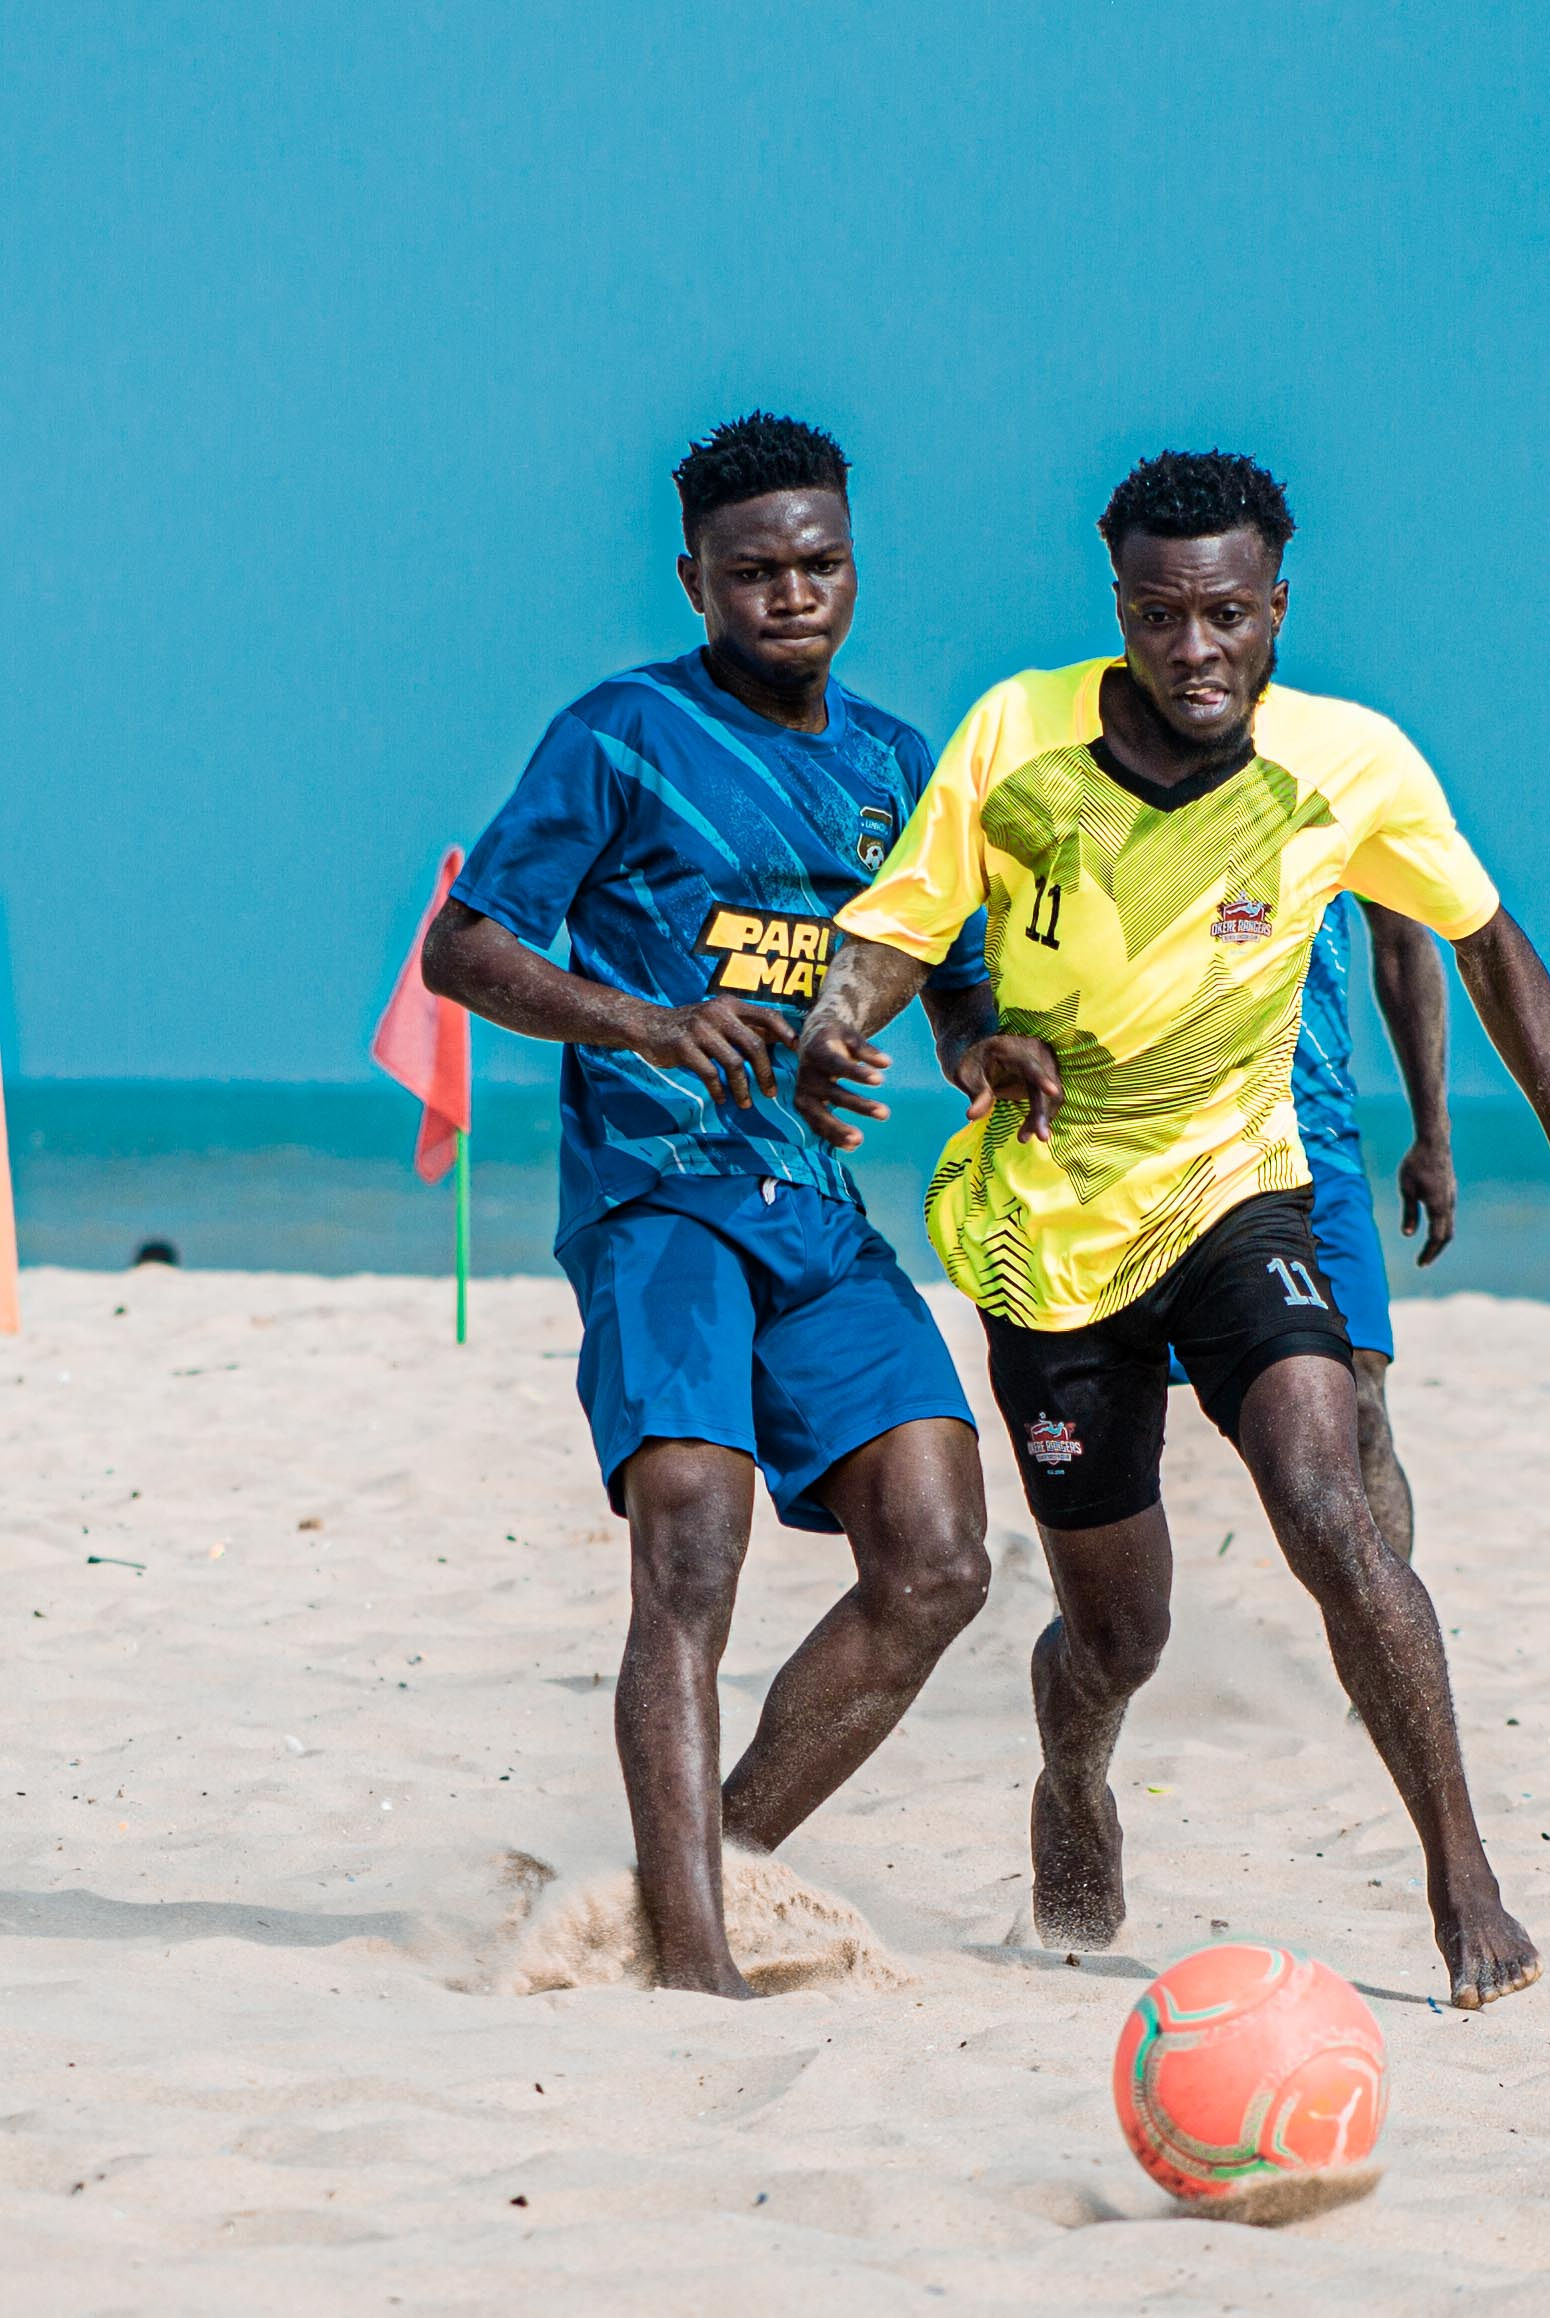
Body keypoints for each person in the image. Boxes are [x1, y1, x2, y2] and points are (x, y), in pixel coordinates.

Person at [797, 449, 1550, 2009]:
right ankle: (1073, 1776)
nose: (1195, 652)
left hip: (1239, 1188)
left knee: (1332, 1502)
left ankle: (1462, 1876)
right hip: (1046, 1227)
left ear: (1276, 605)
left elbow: (1480, 938)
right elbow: (894, 940)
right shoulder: (1016, 733)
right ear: (1115, 601)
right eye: (1160, 615)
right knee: (1117, 1629)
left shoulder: (1351, 761)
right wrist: (830, 1029)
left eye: (1228, 616)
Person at [422, 412, 996, 1998]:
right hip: (658, 1203)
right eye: (751, 571)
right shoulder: (617, 734)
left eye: (816, 564)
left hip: (814, 1212)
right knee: (691, 1543)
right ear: (695, 579)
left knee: (940, 1559)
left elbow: (946, 974)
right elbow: (461, 952)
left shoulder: (896, 763)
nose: (788, 594)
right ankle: (691, 1962)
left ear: (852, 567)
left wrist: (982, 1047)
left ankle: (696, 1863)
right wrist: (646, 1020)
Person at [1178, 893, 1455, 1560]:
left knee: (1359, 1398)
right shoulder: (1102, 786)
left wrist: (1432, 1136)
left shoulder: (1344, 787)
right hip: (1149, 1138)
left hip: (1312, 1139)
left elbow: (1402, 939)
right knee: (1120, 1415)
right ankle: (1097, 1632)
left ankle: (1391, 1647)